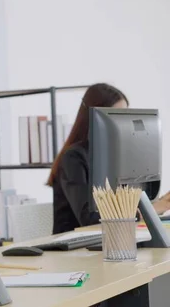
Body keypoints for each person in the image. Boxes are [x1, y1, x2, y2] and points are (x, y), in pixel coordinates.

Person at [47, 83, 170, 234]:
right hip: (74, 247)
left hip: (109, 240)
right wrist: (150, 210)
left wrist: (152, 203)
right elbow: (90, 219)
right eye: (116, 116)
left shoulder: (116, 156)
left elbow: (120, 203)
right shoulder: (73, 158)